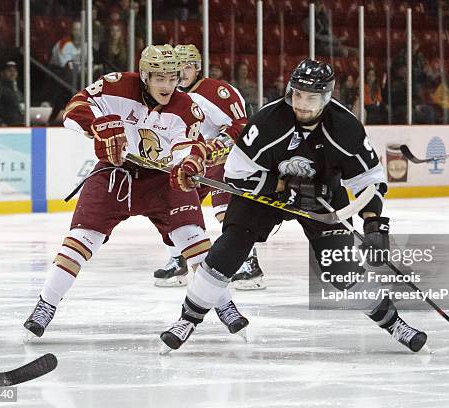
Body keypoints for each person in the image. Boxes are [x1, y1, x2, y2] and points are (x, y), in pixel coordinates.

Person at [159, 59, 427, 353]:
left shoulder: (345, 127)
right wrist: (280, 187)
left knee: (341, 268)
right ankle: (187, 320)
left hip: (322, 196)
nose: (301, 103)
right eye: (297, 94)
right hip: (267, 194)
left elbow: (368, 178)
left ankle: (395, 324)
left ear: (326, 96)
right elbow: (236, 172)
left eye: (311, 97)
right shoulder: (269, 121)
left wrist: (373, 221)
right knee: (231, 246)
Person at [23, 44, 248, 339]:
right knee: (81, 239)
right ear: (145, 76)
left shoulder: (187, 107)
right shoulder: (117, 85)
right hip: (115, 173)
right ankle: (46, 305)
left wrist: (190, 163)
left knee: (194, 241)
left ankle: (225, 305)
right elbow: (74, 109)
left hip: (164, 179)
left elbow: (186, 147)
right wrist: (97, 125)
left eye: (172, 78)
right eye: (160, 78)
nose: (167, 85)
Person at [153, 44, 266, 290]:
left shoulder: (217, 92)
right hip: (192, 162)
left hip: (223, 160)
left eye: (187, 66)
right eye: (176, 68)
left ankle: (249, 263)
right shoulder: (168, 95)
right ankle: (177, 260)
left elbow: (242, 125)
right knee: (172, 208)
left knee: (226, 211)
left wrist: (216, 146)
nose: (182, 72)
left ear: (197, 67)